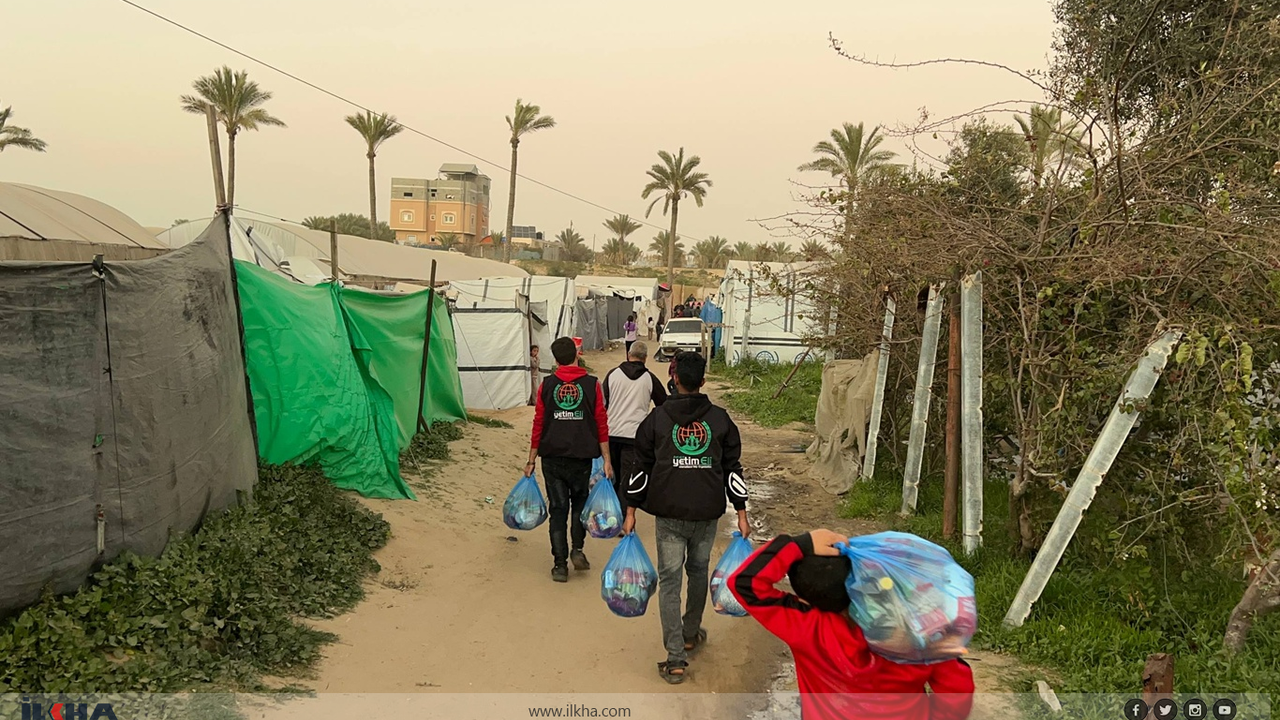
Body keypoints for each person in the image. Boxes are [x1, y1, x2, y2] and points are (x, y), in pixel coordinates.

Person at [729, 529, 975, 720]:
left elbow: (744, 583)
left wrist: (799, 544)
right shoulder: (918, 631)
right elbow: (957, 687)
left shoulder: (807, 628)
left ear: (804, 601)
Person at [623, 351, 749, 684]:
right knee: (697, 573)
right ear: (703, 381)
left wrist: (631, 510)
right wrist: (741, 512)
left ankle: (676, 658)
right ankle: (691, 633)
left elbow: (641, 467)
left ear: (674, 379)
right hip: (707, 513)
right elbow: (732, 469)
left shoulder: (657, 420)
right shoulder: (720, 420)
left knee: (669, 583)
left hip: (668, 513)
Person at [525, 337, 613, 583]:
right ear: (577, 354)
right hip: (581, 457)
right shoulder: (592, 385)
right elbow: (601, 422)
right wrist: (607, 459)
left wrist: (531, 459)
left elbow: (539, 423)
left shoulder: (547, 385)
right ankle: (577, 549)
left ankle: (559, 565)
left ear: (555, 360)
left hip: (552, 457)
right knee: (579, 504)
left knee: (558, 509)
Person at [602, 341, 667, 513]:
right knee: (627, 480)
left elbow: (602, 405)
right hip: (634, 438)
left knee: (611, 477)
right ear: (645, 358)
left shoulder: (613, 375)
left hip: (611, 435)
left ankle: (609, 516)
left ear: (628, 355)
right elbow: (663, 405)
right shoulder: (649, 379)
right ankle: (624, 518)